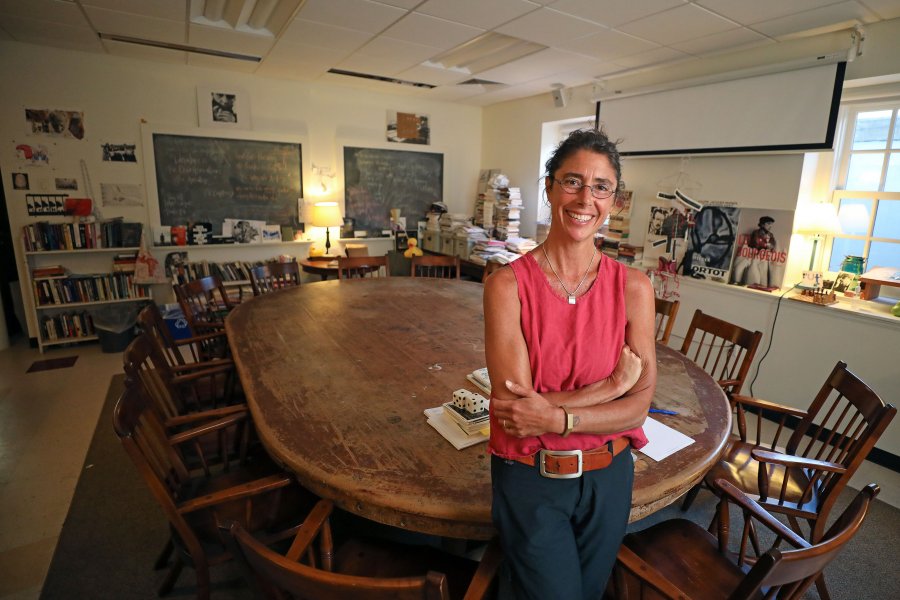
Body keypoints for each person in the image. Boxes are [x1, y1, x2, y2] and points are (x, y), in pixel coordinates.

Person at [483, 128, 657, 600]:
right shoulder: (507, 286)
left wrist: (555, 415)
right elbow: (517, 416)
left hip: (610, 478)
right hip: (532, 478)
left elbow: (638, 410)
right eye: (572, 181)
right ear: (549, 188)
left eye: (601, 186)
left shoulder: (634, 287)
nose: (586, 198)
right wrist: (609, 387)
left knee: (590, 591)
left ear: (614, 200)